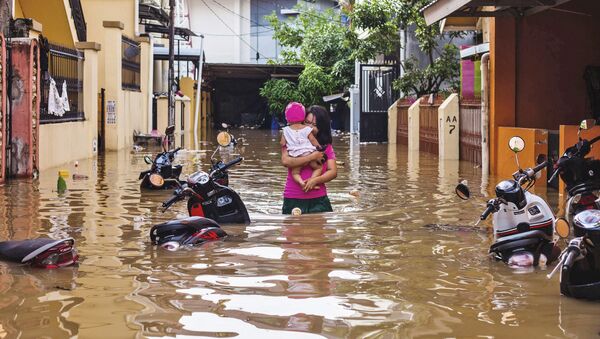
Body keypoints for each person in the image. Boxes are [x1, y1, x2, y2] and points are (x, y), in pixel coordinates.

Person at [281, 105, 337, 214]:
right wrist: (312, 157)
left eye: (315, 125)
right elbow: (286, 162)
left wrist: (315, 180)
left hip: (319, 199)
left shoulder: (325, 146)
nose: (310, 127)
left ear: (322, 127)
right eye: (307, 122)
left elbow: (333, 172)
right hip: (293, 197)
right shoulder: (290, 140)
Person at [280, 102, 323, 188]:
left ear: (287, 118)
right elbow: (313, 140)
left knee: (295, 173)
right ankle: (311, 181)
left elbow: (282, 143)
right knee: (318, 168)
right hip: (308, 152)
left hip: (295, 155)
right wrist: (319, 148)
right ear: (303, 117)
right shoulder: (307, 129)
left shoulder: (285, 130)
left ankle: (301, 182)